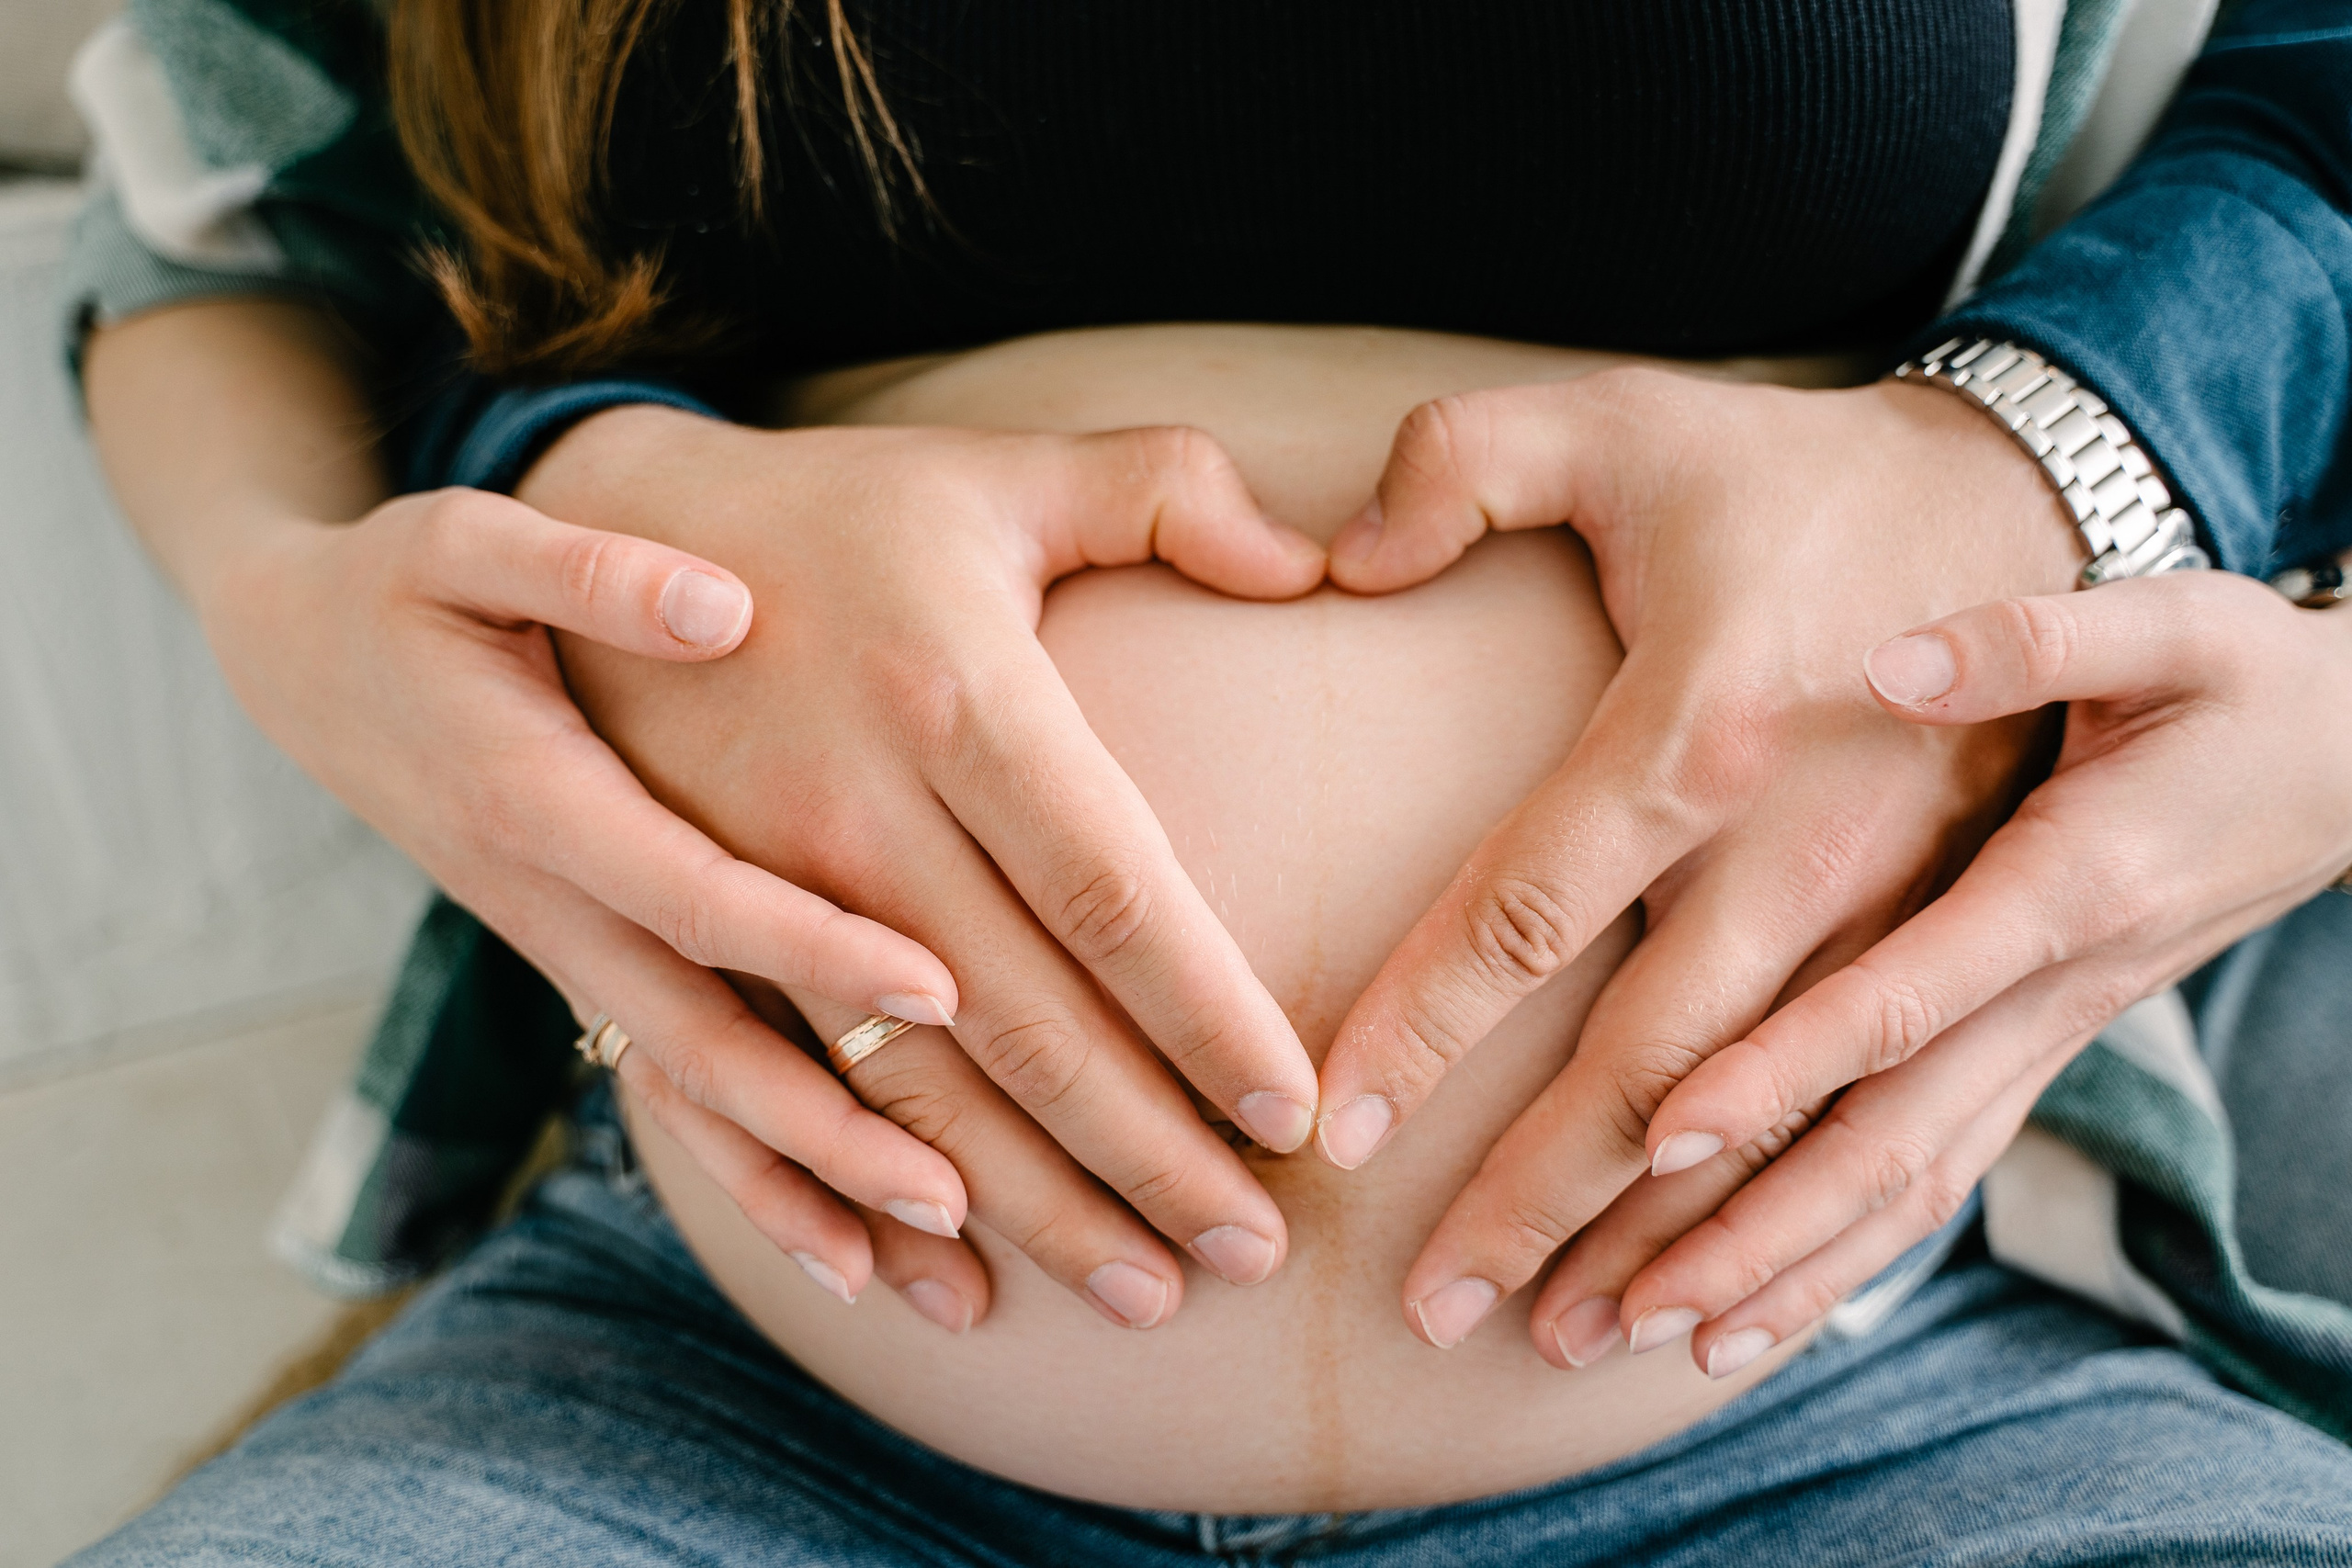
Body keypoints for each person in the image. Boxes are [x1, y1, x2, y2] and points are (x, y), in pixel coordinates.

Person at [58, 0, 2352, 1560]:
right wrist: (295, 602)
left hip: (1873, 1393)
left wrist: (2079, 470)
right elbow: (229, 187)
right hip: (704, 1389)